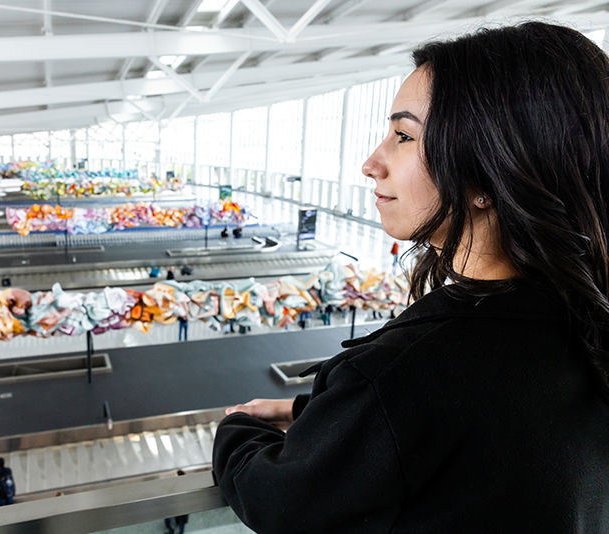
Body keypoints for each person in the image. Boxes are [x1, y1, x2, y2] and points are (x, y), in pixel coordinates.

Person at [212, 22, 609, 533]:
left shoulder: (406, 371)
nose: (370, 163)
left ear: (485, 174)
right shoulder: (581, 322)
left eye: (403, 136)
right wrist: (325, 413)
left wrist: (237, 428)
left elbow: (278, 499)